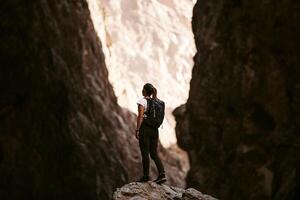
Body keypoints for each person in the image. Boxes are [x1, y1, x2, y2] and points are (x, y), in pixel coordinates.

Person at [135, 83, 166, 184]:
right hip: (155, 130)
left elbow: (140, 116)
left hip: (145, 129)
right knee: (154, 153)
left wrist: (137, 129)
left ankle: (146, 176)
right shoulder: (158, 102)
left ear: (144, 91)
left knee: (145, 153)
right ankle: (162, 174)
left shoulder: (142, 101)